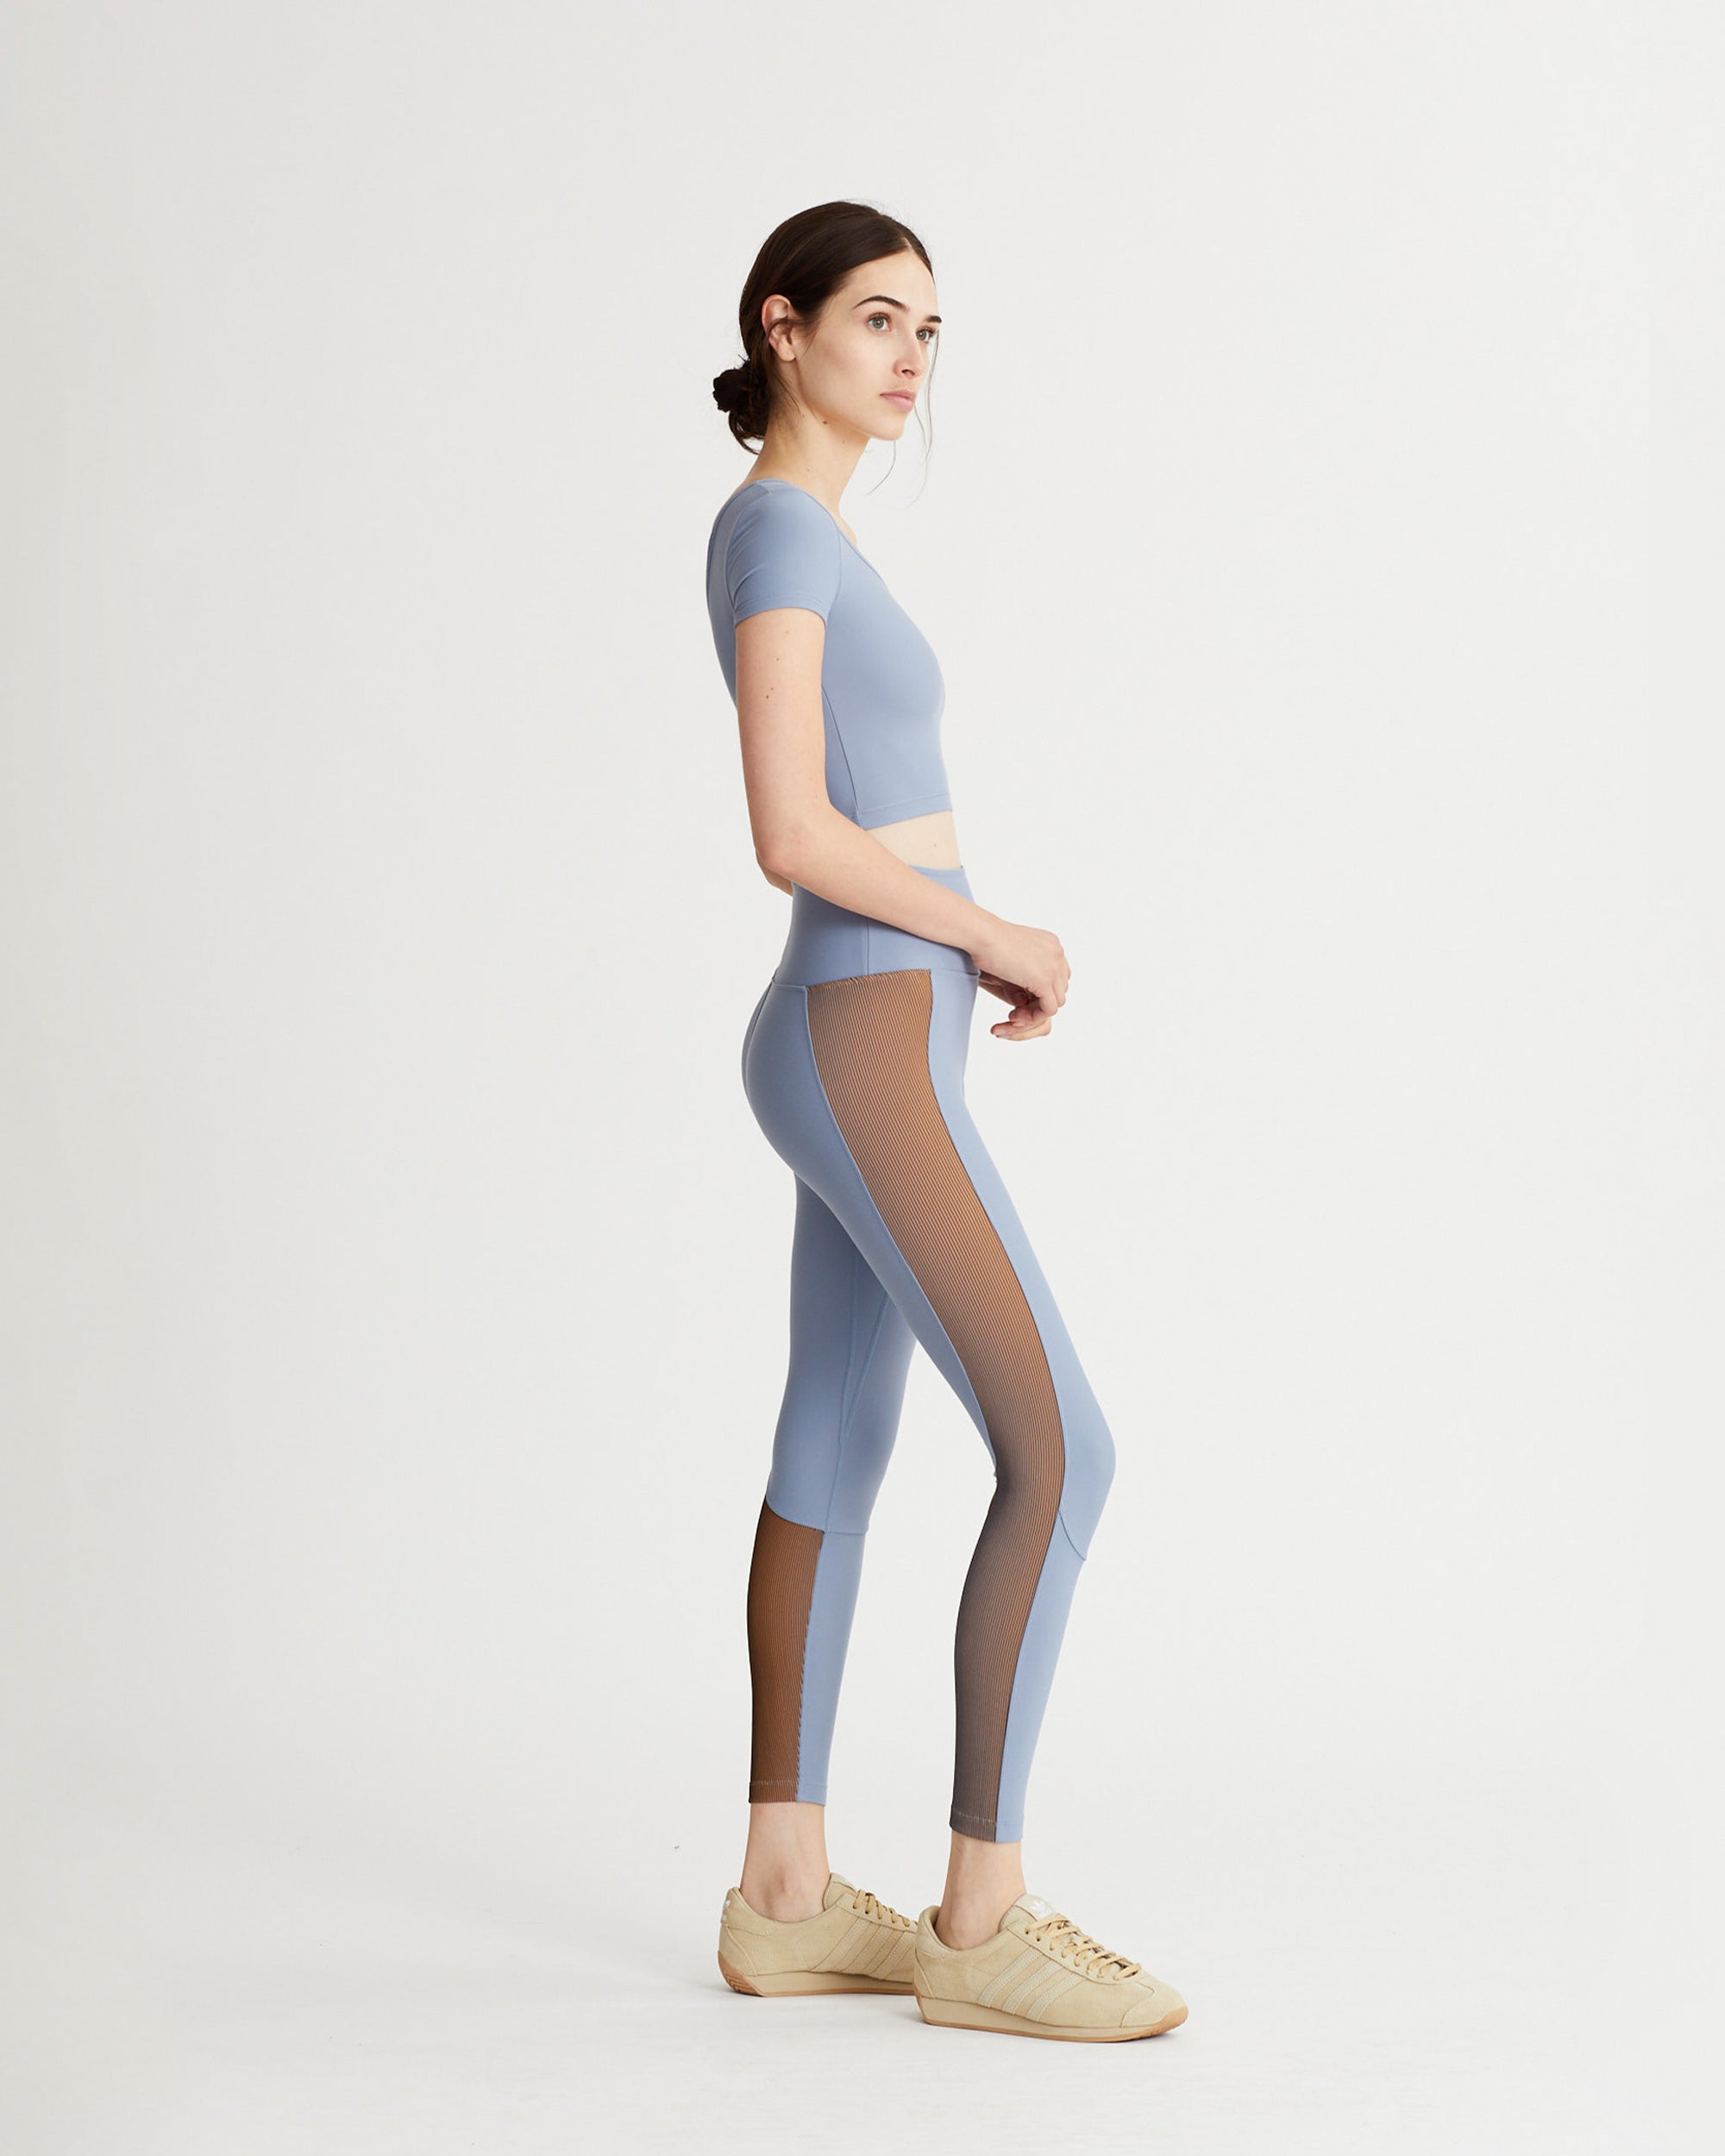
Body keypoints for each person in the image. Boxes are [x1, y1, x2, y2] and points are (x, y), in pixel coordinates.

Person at [702, 200, 1187, 2043]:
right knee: (1062, 1451)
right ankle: (982, 1920)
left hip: (876, 1033)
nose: (912, 355)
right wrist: (996, 930)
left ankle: (785, 1901)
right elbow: (790, 828)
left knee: (833, 1443)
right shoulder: (776, 528)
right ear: (784, 326)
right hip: (863, 1035)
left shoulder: (811, 533)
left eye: (930, 329)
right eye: (878, 318)